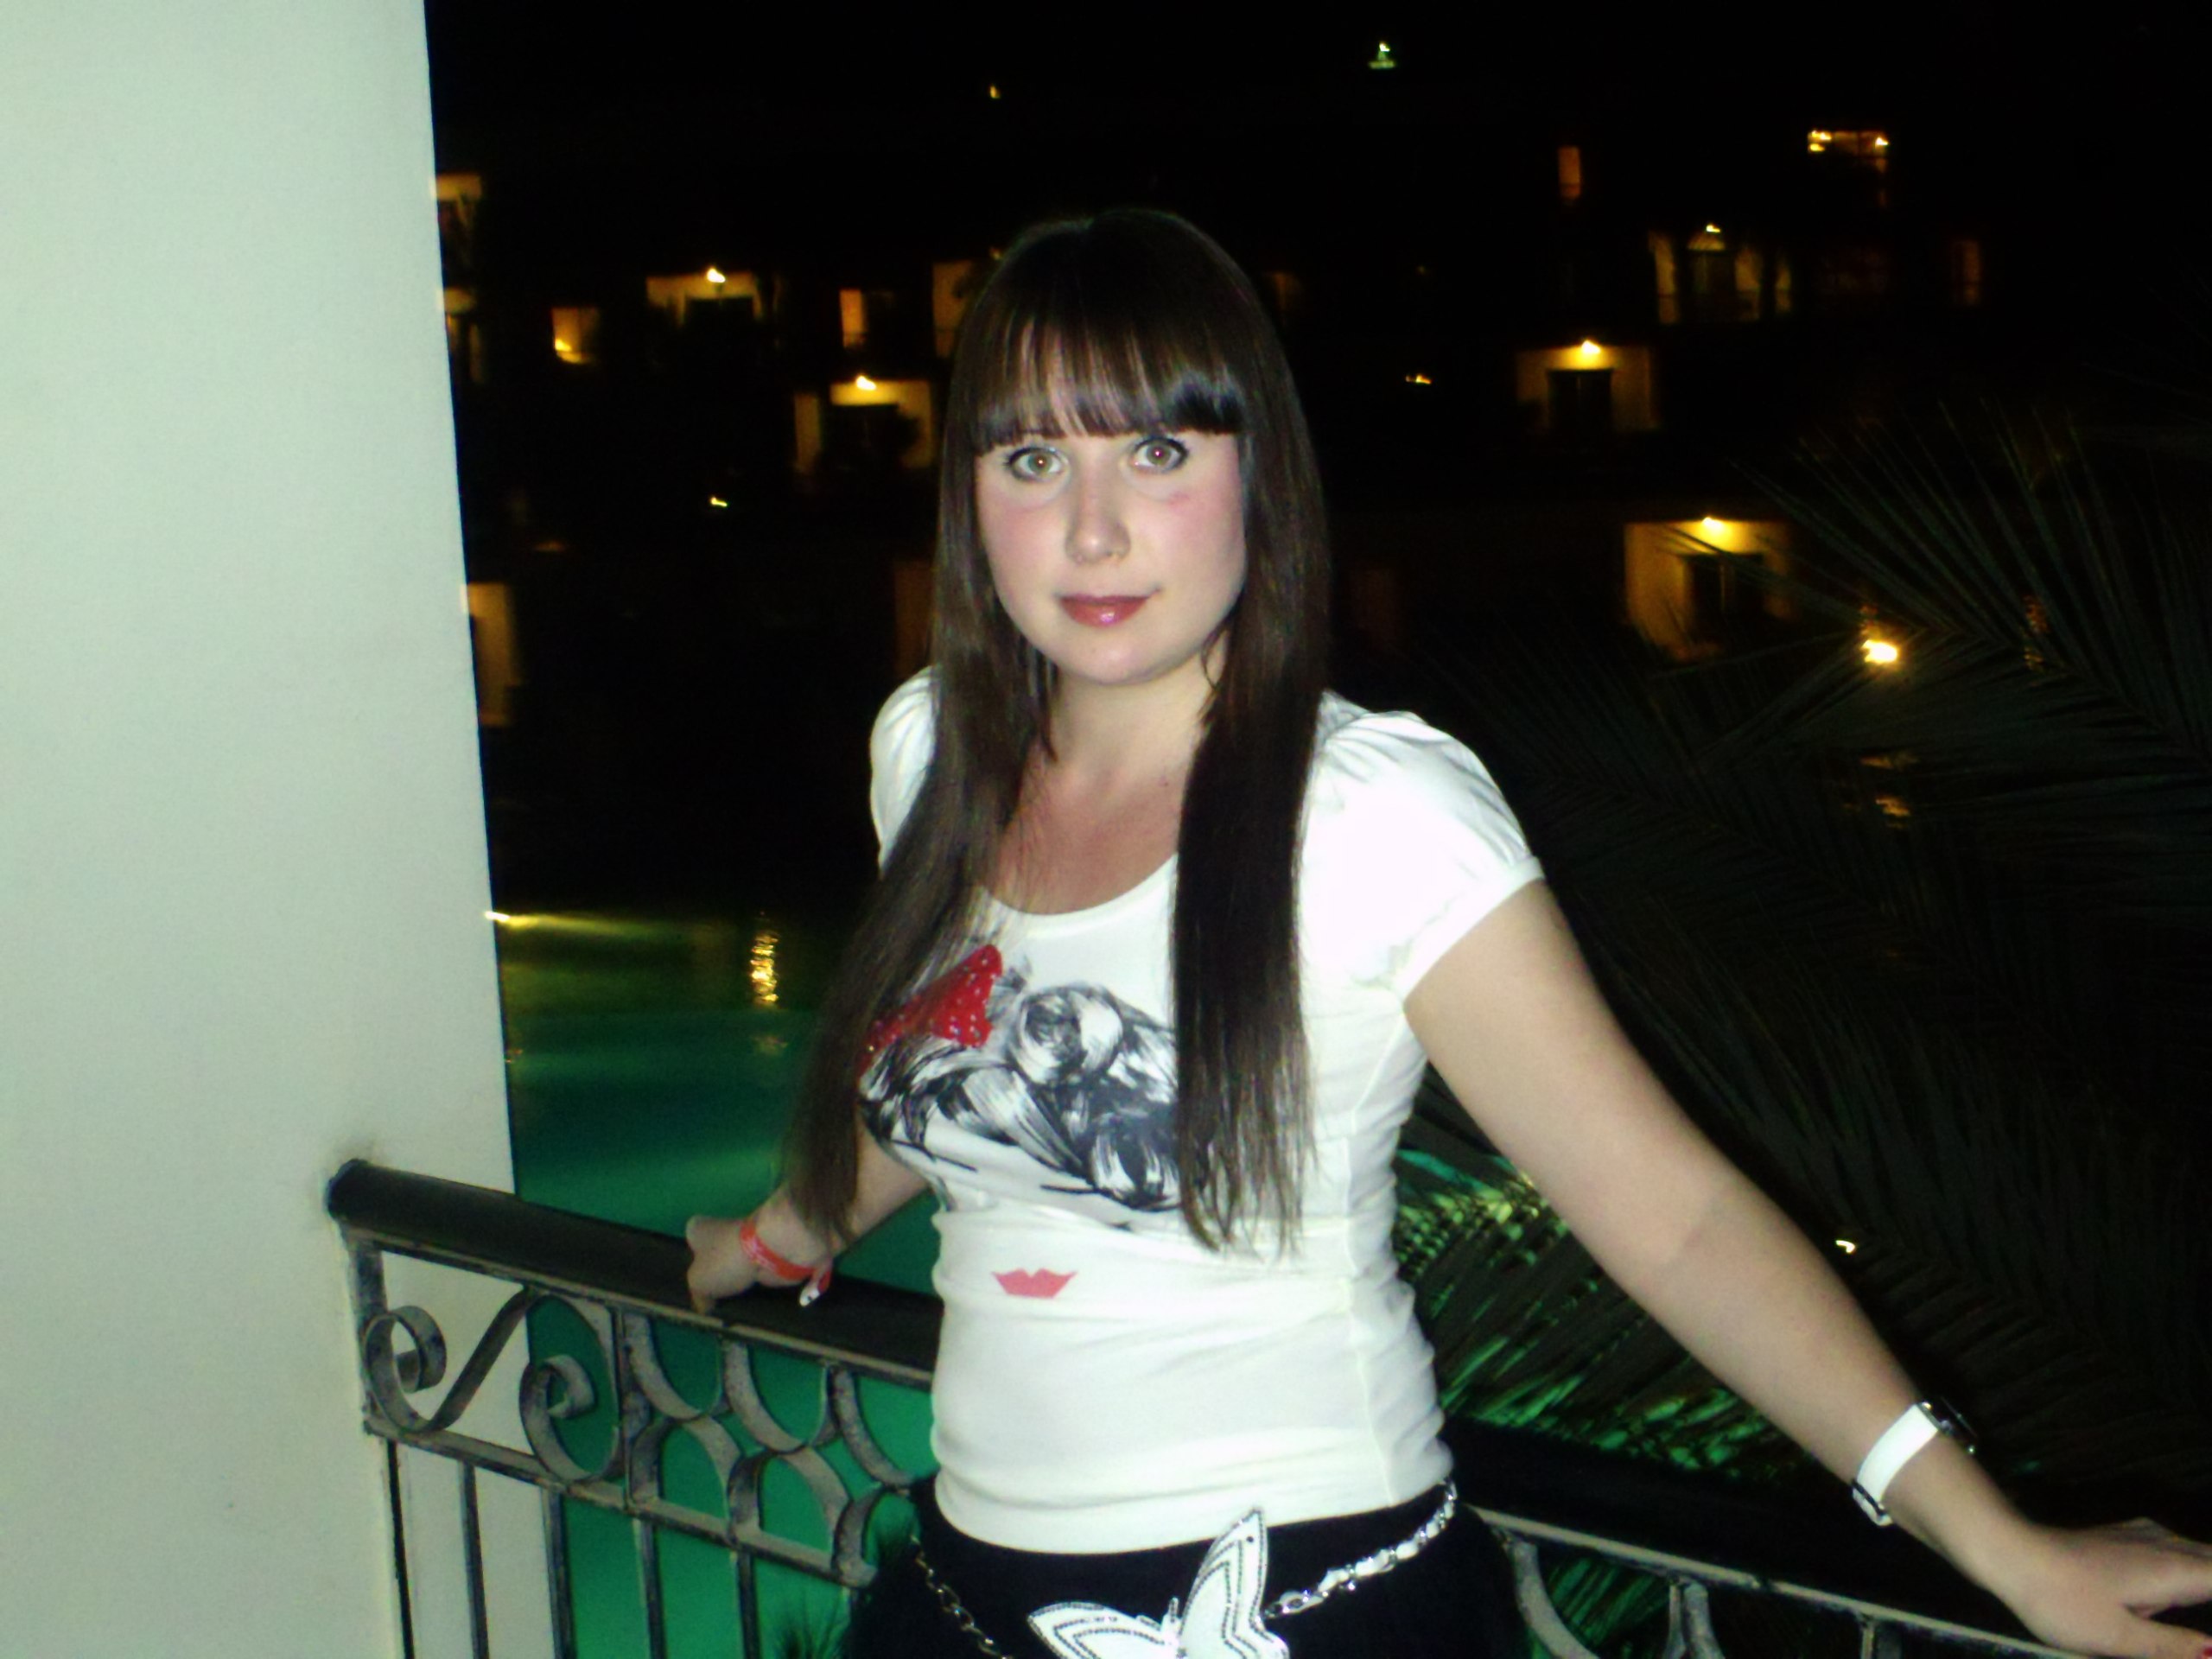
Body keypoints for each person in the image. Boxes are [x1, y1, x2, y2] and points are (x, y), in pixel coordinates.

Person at [686, 209, 2212, 1659]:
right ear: (970, 498)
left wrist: (1994, 1541)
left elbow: (1669, 1215)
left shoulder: (1371, 814)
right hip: (972, 1592)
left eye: (1157, 451)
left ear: (1257, 476)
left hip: (1306, 1594)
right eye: (1033, 459)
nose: (1092, 530)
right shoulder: (929, 754)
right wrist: (789, 1229)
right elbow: (960, 1064)